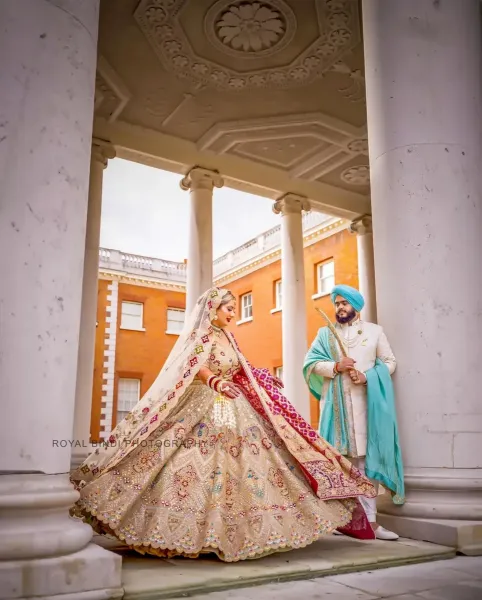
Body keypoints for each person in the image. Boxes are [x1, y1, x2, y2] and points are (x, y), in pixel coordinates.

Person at [71, 287, 377, 562]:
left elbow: (239, 367)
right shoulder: (200, 336)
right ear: (213, 309)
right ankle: (176, 531)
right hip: (203, 403)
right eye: (228, 309)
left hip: (232, 402)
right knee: (188, 460)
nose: (232, 314)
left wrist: (262, 377)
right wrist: (214, 381)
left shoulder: (228, 336)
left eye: (233, 309)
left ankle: (239, 529)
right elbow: (194, 364)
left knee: (245, 462)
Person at [303, 284, 404, 541]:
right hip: (336, 410)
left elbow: (390, 363)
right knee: (341, 463)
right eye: (337, 303)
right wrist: (335, 366)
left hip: (367, 406)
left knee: (368, 463)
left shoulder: (374, 332)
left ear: (356, 307)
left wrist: (367, 376)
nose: (340, 307)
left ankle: (371, 522)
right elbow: (310, 363)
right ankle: (344, 520)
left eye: (344, 303)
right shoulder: (325, 334)